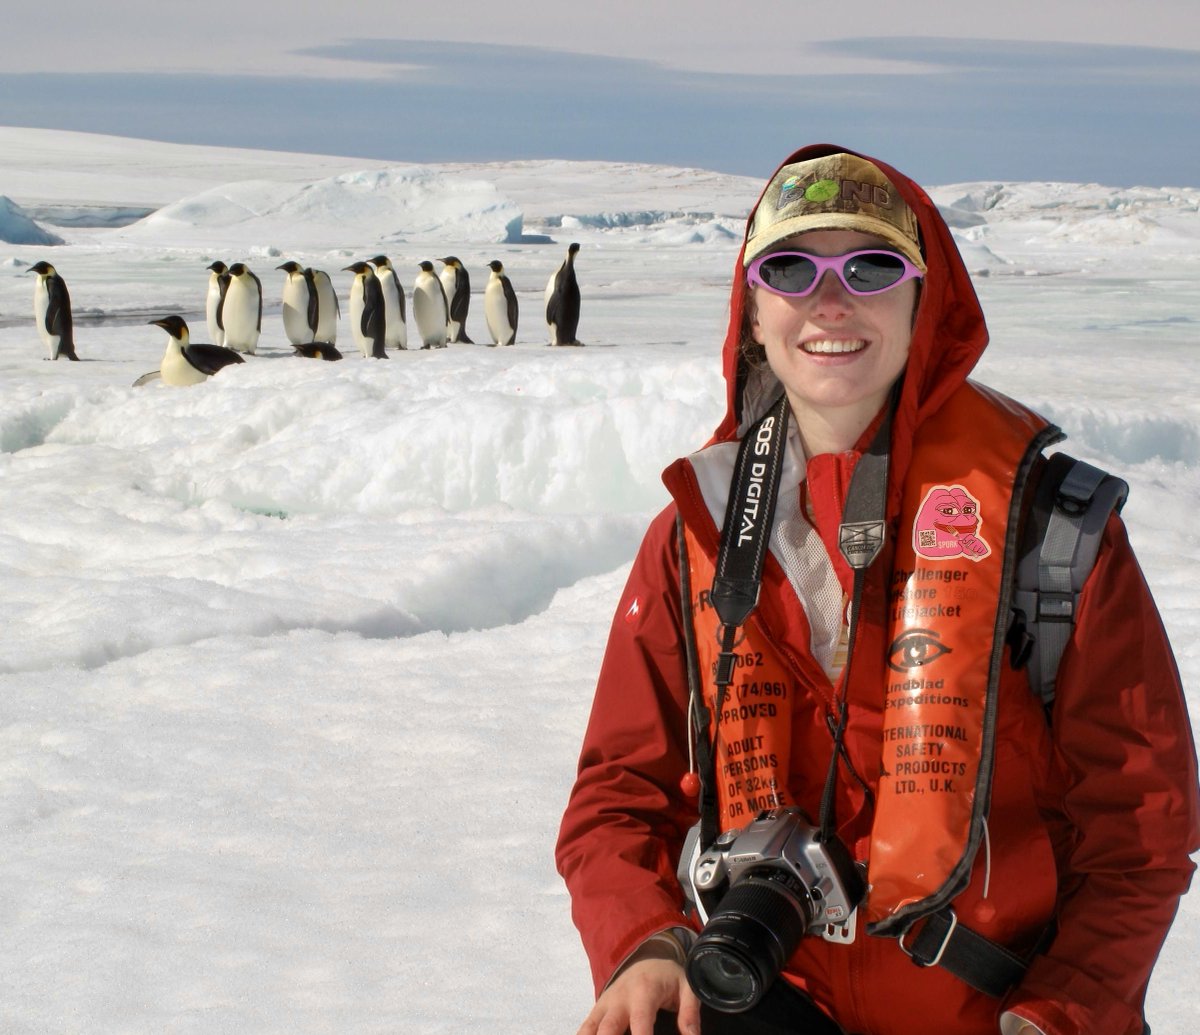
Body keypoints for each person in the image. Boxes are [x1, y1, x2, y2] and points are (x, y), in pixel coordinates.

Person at [555, 145, 1200, 1035]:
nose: (830, 299)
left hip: (999, 1010)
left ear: (922, 298)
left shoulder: (1051, 533)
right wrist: (646, 940)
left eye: (871, 265)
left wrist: (1068, 1010)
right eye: (790, 266)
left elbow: (1140, 825)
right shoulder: (694, 539)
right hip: (776, 997)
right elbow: (618, 799)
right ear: (752, 310)